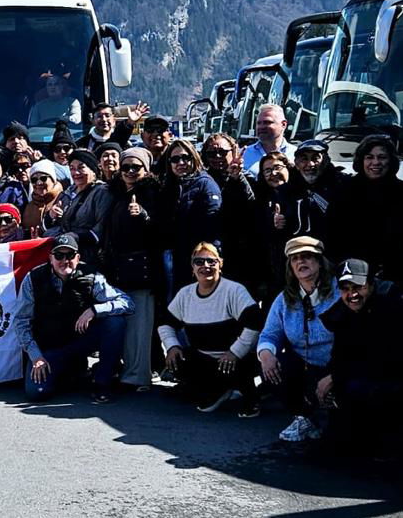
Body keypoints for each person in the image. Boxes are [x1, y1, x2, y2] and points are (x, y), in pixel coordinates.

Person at [317, 260, 403, 456]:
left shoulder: (395, 307)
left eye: (358, 287)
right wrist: (329, 378)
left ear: (370, 285)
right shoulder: (344, 313)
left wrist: (337, 377)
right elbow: (340, 353)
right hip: (368, 378)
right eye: (345, 289)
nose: (352, 294)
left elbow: (389, 360)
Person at [12, 232, 132, 402]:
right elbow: (21, 321)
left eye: (70, 255)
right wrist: (36, 356)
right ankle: (72, 373)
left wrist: (95, 310)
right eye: (59, 255)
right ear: (50, 258)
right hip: (49, 348)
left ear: (78, 257)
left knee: (115, 322)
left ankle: (102, 383)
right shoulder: (33, 278)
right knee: (37, 393)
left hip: (81, 341)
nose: (64, 260)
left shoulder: (92, 276)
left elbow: (127, 303)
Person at [159, 241, 264, 414]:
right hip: (205, 358)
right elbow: (165, 323)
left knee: (240, 367)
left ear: (220, 264)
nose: (205, 266)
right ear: (192, 267)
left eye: (211, 261)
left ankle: (248, 396)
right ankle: (219, 390)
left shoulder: (234, 290)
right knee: (178, 361)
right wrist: (172, 346)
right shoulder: (185, 294)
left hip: (236, 359)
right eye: (199, 262)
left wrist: (235, 352)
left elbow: (255, 323)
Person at [256, 235, 339, 442]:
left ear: (319, 262)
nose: (301, 262)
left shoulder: (339, 293)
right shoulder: (284, 299)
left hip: (339, 367)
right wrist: (266, 355)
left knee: (340, 433)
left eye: (307, 257)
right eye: (295, 259)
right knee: (274, 367)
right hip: (305, 367)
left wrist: (336, 375)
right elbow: (270, 334)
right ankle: (303, 416)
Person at [100, 144, 164, 392]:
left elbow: (159, 231)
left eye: (135, 167)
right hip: (119, 268)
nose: (129, 171)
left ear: (146, 170)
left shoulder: (152, 194)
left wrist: (144, 215)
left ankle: (138, 376)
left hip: (142, 269)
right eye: (125, 166)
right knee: (125, 324)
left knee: (140, 325)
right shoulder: (117, 194)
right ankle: (128, 371)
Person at [325, 133, 403, 280]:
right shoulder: (344, 192)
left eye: (382, 157)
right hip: (351, 276)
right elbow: (332, 236)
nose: (375, 162)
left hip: (395, 276)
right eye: (369, 157)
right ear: (361, 160)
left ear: (391, 161)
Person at [200, 133, 264, 300]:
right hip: (211, 253)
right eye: (211, 153)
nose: (217, 157)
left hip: (242, 255)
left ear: (234, 151)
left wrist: (236, 177)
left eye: (222, 152)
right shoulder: (200, 181)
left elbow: (251, 205)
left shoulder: (248, 179)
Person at [160, 138, 222, 294]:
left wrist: (205, 259)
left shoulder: (206, 184)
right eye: (175, 159)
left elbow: (214, 223)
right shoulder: (168, 186)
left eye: (185, 158)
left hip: (199, 259)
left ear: (194, 158)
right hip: (176, 257)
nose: (181, 162)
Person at [60, 148, 113, 266]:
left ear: (93, 169)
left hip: (88, 258)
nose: (76, 173)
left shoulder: (102, 192)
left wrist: (75, 236)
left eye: (81, 167)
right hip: (65, 255)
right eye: (72, 168)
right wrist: (51, 216)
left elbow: (101, 229)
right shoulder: (69, 191)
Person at [254, 152, 298, 294]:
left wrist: (287, 222)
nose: (273, 173)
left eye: (277, 167)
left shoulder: (300, 192)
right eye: (267, 170)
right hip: (272, 271)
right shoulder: (262, 198)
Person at [290, 139, 345, 242]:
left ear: (325, 162)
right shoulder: (289, 188)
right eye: (304, 159)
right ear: (297, 164)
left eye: (315, 159)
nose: (310, 164)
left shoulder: (342, 185)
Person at [241, 104, 294, 176]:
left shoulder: (296, 155)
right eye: (258, 123)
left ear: (283, 124)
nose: (261, 127)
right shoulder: (243, 155)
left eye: (267, 122)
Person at [22, 160, 67, 235]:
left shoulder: (64, 199)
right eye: (34, 180)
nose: (38, 183)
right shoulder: (29, 207)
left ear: (53, 180)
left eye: (43, 178)